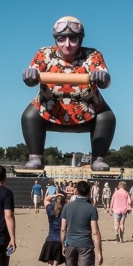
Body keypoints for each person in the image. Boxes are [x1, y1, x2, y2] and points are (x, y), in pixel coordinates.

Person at [21, 16, 115, 171]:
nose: (67, 44)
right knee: (29, 115)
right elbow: (33, 75)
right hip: (49, 110)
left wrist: (102, 77)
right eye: (61, 39)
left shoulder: (93, 55)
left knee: (107, 117)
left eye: (73, 39)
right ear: (55, 39)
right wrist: (30, 74)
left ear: (81, 39)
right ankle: (35, 156)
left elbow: (105, 80)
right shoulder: (44, 54)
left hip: (88, 111)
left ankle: (98, 158)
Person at [60, 181, 102, 266]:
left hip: (70, 243)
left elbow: (62, 229)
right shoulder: (91, 209)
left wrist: (63, 244)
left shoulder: (67, 207)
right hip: (85, 244)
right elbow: (95, 231)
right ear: (89, 191)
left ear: (76, 191)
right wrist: (99, 251)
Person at [38, 192, 67, 266]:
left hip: (51, 241)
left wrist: (55, 195)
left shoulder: (51, 210)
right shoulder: (66, 211)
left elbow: (45, 200)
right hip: (62, 241)